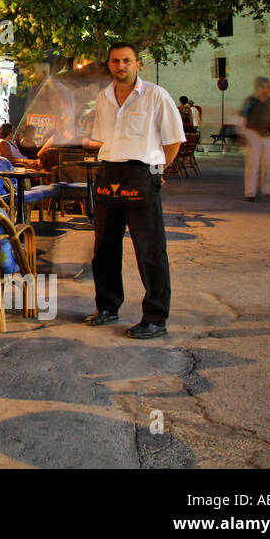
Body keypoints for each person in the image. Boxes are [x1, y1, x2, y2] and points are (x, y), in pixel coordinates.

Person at [81, 42, 185, 340]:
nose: (121, 66)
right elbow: (103, 140)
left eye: (127, 61)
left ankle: (155, 318)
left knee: (150, 251)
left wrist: (158, 170)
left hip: (142, 174)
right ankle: (108, 307)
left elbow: (174, 139)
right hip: (109, 172)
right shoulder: (103, 98)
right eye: (115, 61)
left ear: (138, 64)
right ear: (109, 64)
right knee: (104, 249)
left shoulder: (155, 96)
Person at [240, 77, 270, 201]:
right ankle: (250, 193)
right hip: (253, 133)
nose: (269, 89)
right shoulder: (251, 101)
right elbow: (243, 117)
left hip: (268, 133)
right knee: (252, 164)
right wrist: (242, 134)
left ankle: (267, 190)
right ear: (260, 87)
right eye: (266, 86)